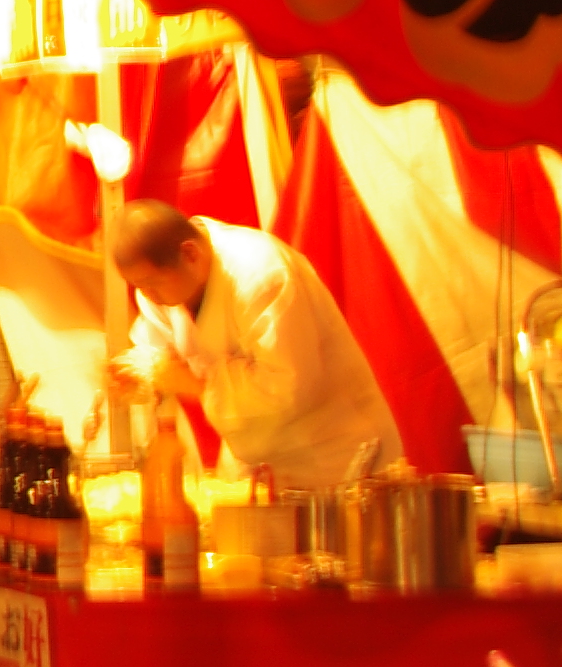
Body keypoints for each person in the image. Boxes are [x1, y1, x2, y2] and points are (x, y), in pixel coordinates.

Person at [104, 200, 399, 490]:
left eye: (152, 283)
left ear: (190, 254)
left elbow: (286, 387)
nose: (147, 295)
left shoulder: (261, 274)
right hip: (252, 465)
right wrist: (137, 371)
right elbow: (158, 349)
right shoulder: (165, 286)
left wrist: (193, 385)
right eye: (138, 286)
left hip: (334, 458)